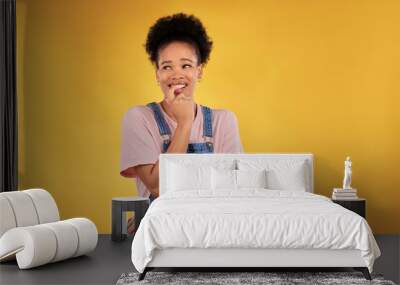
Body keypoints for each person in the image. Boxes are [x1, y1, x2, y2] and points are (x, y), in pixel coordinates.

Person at [120, 13, 243, 234]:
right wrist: (185, 123)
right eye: (167, 67)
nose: (177, 74)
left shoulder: (223, 121)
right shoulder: (139, 118)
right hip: (160, 232)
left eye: (186, 66)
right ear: (157, 74)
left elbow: (232, 190)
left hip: (214, 229)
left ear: (199, 71)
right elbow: (157, 186)